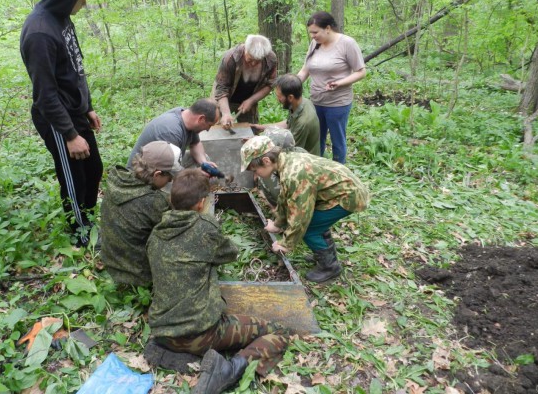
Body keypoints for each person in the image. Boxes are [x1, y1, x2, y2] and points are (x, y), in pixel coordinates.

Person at [146, 169, 289, 394]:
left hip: (161, 331)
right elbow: (229, 253)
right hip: (199, 333)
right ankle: (229, 371)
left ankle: (174, 351)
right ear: (201, 203)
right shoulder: (204, 228)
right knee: (278, 331)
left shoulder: (155, 233)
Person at [20, 0, 104, 247]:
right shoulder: (40, 33)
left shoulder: (63, 17)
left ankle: (89, 217)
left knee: (94, 169)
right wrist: (70, 135)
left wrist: (88, 105)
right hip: (57, 119)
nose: (84, 2)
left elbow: (75, 66)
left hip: (75, 110)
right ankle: (80, 234)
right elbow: (45, 94)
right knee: (74, 178)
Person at [240, 136, 369, 283]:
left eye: (255, 170)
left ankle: (330, 267)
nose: (255, 175)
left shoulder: (295, 174)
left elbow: (300, 217)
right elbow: (285, 197)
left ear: (266, 161)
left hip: (348, 196)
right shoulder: (285, 161)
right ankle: (324, 254)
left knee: (309, 229)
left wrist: (286, 244)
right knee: (316, 222)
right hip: (334, 191)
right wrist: (278, 224)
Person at [100, 141, 181, 286]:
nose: (171, 180)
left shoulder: (117, 179)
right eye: (170, 177)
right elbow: (175, 232)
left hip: (110, 261)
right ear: (157, 174)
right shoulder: (154, 202)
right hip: (138, 276)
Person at [296, 11, 366, 163]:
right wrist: (294, 82)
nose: (313, 36)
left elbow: (361, 72)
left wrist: (340, 83)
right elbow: (305, 69)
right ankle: (317, 169)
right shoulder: (315, 44)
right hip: (316, 101)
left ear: (327, 28)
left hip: (338, 103)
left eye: (315, 32)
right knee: (316, 138)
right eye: (311, 33)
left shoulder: (347, 43)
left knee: (337, 140)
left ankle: (338, 172)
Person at [126, 98, 219, 169]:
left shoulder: (186, 116)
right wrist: (196, 175)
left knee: (203, 159)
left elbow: (195, 144)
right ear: (201, 119)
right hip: (143, 173)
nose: (208, 129)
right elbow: (172, 169)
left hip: (166, 163)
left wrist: (204, 163)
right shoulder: (171, 131)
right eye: (209, 125)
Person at [213, 34, 277, 128]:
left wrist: (251, 100)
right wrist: (226, 113)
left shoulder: (271, 59)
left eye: (258, 61)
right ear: (245, 49)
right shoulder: (230, 58)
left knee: (251, 129)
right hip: (224, 98)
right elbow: (221, 88)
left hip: (250, 98)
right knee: (220, 128)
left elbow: (271, 84)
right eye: (250, 59)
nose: (253, 63)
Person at [251, 74, 321, 156]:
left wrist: (256, 143)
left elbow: (291, 152)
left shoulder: (303, 122)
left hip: (303, 160)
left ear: (290, 97)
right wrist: (262, 127)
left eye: (279, 97)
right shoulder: (301, 103)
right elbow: (287, 123)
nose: (277, 100)